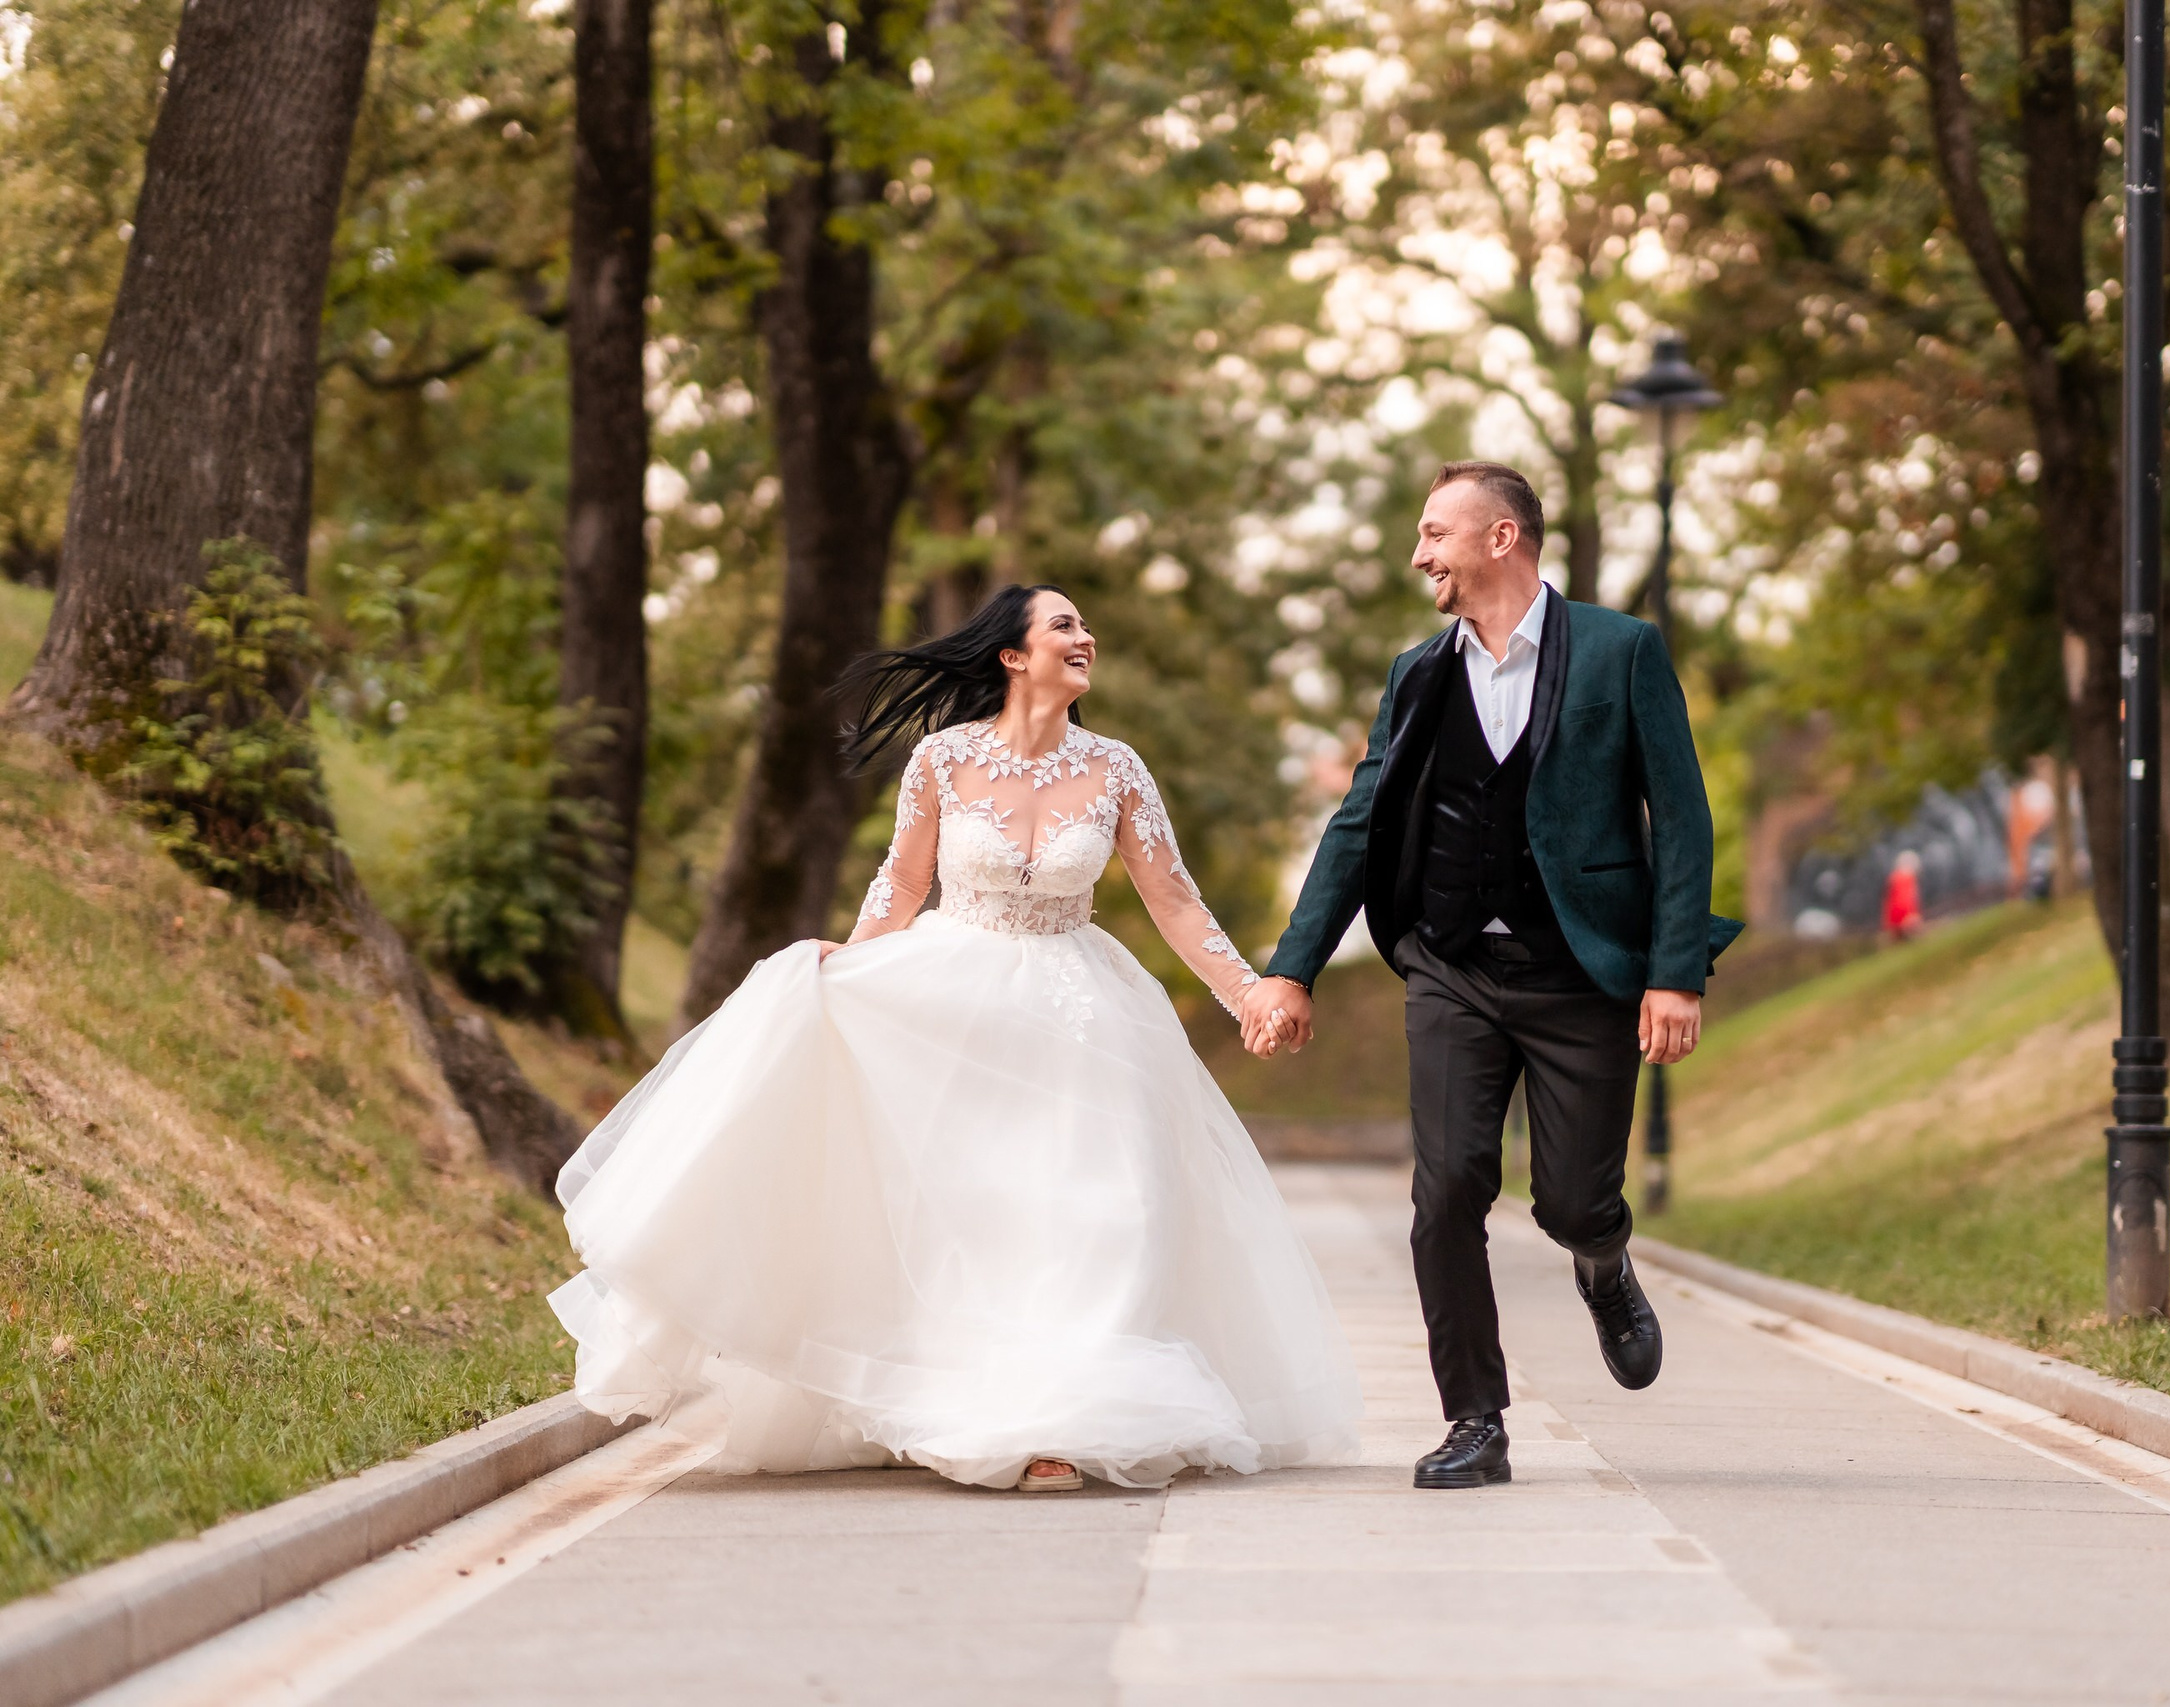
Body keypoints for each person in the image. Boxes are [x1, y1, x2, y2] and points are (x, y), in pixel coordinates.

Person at [548, 585, 1362, 1494]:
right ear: (1012, 655)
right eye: (1064, 625)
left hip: (1078, 1013)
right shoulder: (939, 760)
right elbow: (900, 887)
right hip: (953, 1000)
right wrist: (847, 971)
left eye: (1085, 624)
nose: (1085, 636)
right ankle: (961, 1401)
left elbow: (1173, 899)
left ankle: (1057, 1421)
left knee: (1097, 1208)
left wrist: (1250, 993)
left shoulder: (1118, 769)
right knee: (975, 1215)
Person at [1237, 462, 1740, 1491]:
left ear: (1500, 537)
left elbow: (1680, 820)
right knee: (1449, 1186)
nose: (1419, 553)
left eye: (1434, 532)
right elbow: (1358, 824)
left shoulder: (1621, 651)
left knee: (1569, 1199)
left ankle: (1601, 1260)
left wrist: (1673, 973)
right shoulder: (1418, 672)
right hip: (1451, 967)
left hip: (1583, 973)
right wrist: (1293, 970)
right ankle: (1474, 1418)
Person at [1882, 848, 1924, 940]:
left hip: (1897, 919)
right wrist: (1909, 916)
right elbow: (1905, 899)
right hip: (1904, 917)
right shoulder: (1906, 879)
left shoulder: (1894, 877)